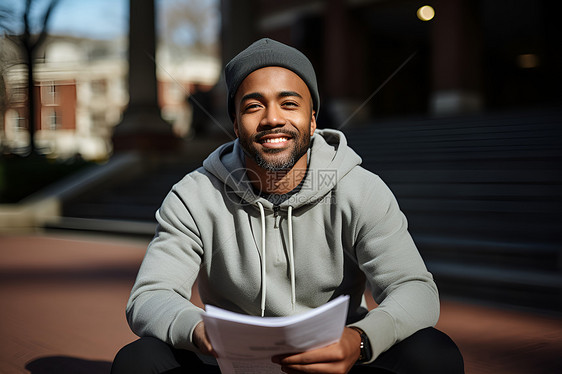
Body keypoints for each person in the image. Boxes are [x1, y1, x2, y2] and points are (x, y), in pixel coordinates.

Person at [111, 38, 464, 374]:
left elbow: (416, 290)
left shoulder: (360, 189)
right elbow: (150, 296)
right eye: (253, 106)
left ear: (312, 120)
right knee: (140, 360)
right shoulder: (193, 196)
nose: (272, 119)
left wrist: (359, 341)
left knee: (432, 354)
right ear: (235, 123)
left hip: (335, 362)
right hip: (226, 361)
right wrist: (201, 331)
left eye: (289, 103)